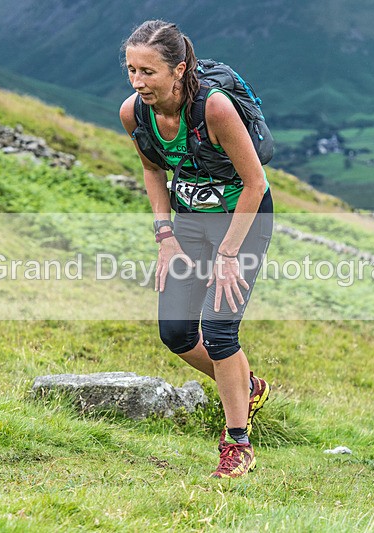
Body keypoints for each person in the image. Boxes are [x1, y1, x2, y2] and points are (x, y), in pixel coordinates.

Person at [119, 20, 273, 478]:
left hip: (241, 221)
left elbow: (255, 183)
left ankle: (237, 442)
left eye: (148, 71)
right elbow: (152, 171)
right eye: (130, 69)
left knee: (221, 331)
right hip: (188, 223)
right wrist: (164, 236)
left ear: (179, 69)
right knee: (177, 334)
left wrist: (227, 255)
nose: (137, 81)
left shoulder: (216, 109)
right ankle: (246, 386)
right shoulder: (134, 113)